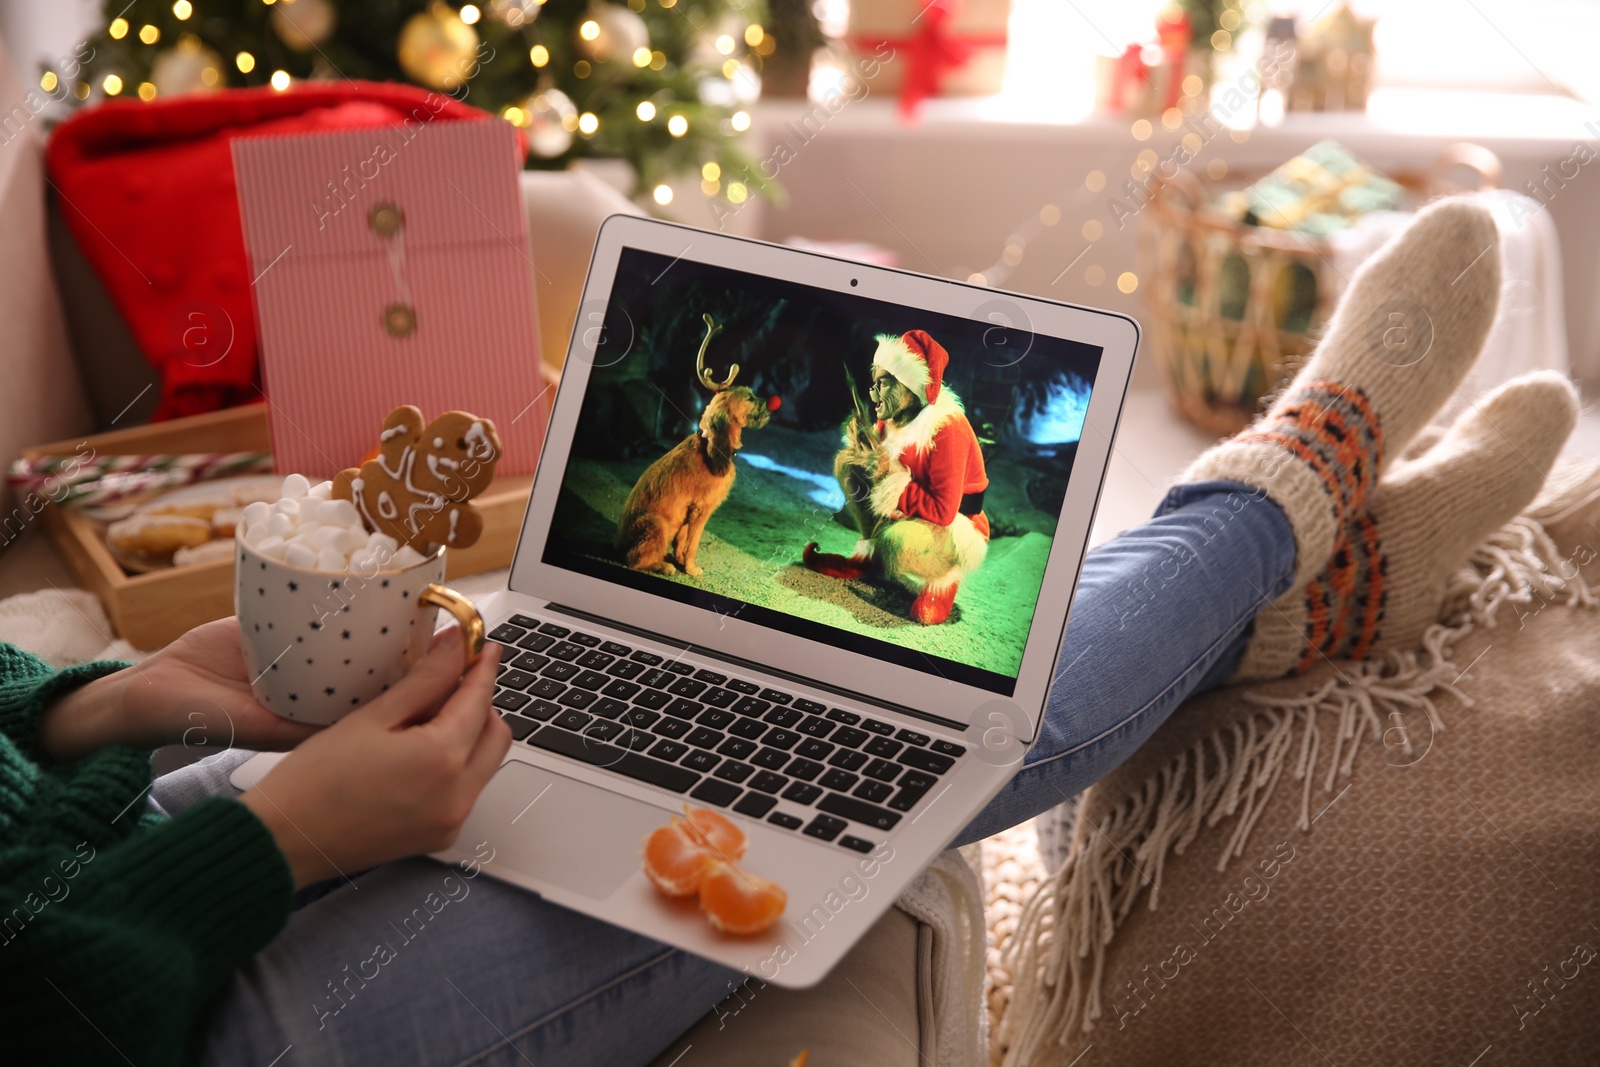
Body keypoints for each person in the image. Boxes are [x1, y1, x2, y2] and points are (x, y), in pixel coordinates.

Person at [1, 201, 1579, 1067]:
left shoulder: (937, 427)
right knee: (894, 729)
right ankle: (1282, 507)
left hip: (120, 831)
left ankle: (1285, 574)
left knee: (672, 668)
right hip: (188, 1010)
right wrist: (267, 845)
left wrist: (89, 706)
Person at [803, 328, 992, 625]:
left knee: (896, 543)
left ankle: (943, 580)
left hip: (956, 523)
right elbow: (873, 470)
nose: (873, 391)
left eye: (885, 383)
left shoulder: (946, 428)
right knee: (848, 464)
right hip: (910, 507)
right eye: (874, 381)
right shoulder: (890, 419)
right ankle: (868, 554)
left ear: (910, 386)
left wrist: (889, 478)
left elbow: (944, 512)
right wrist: (862, 446)